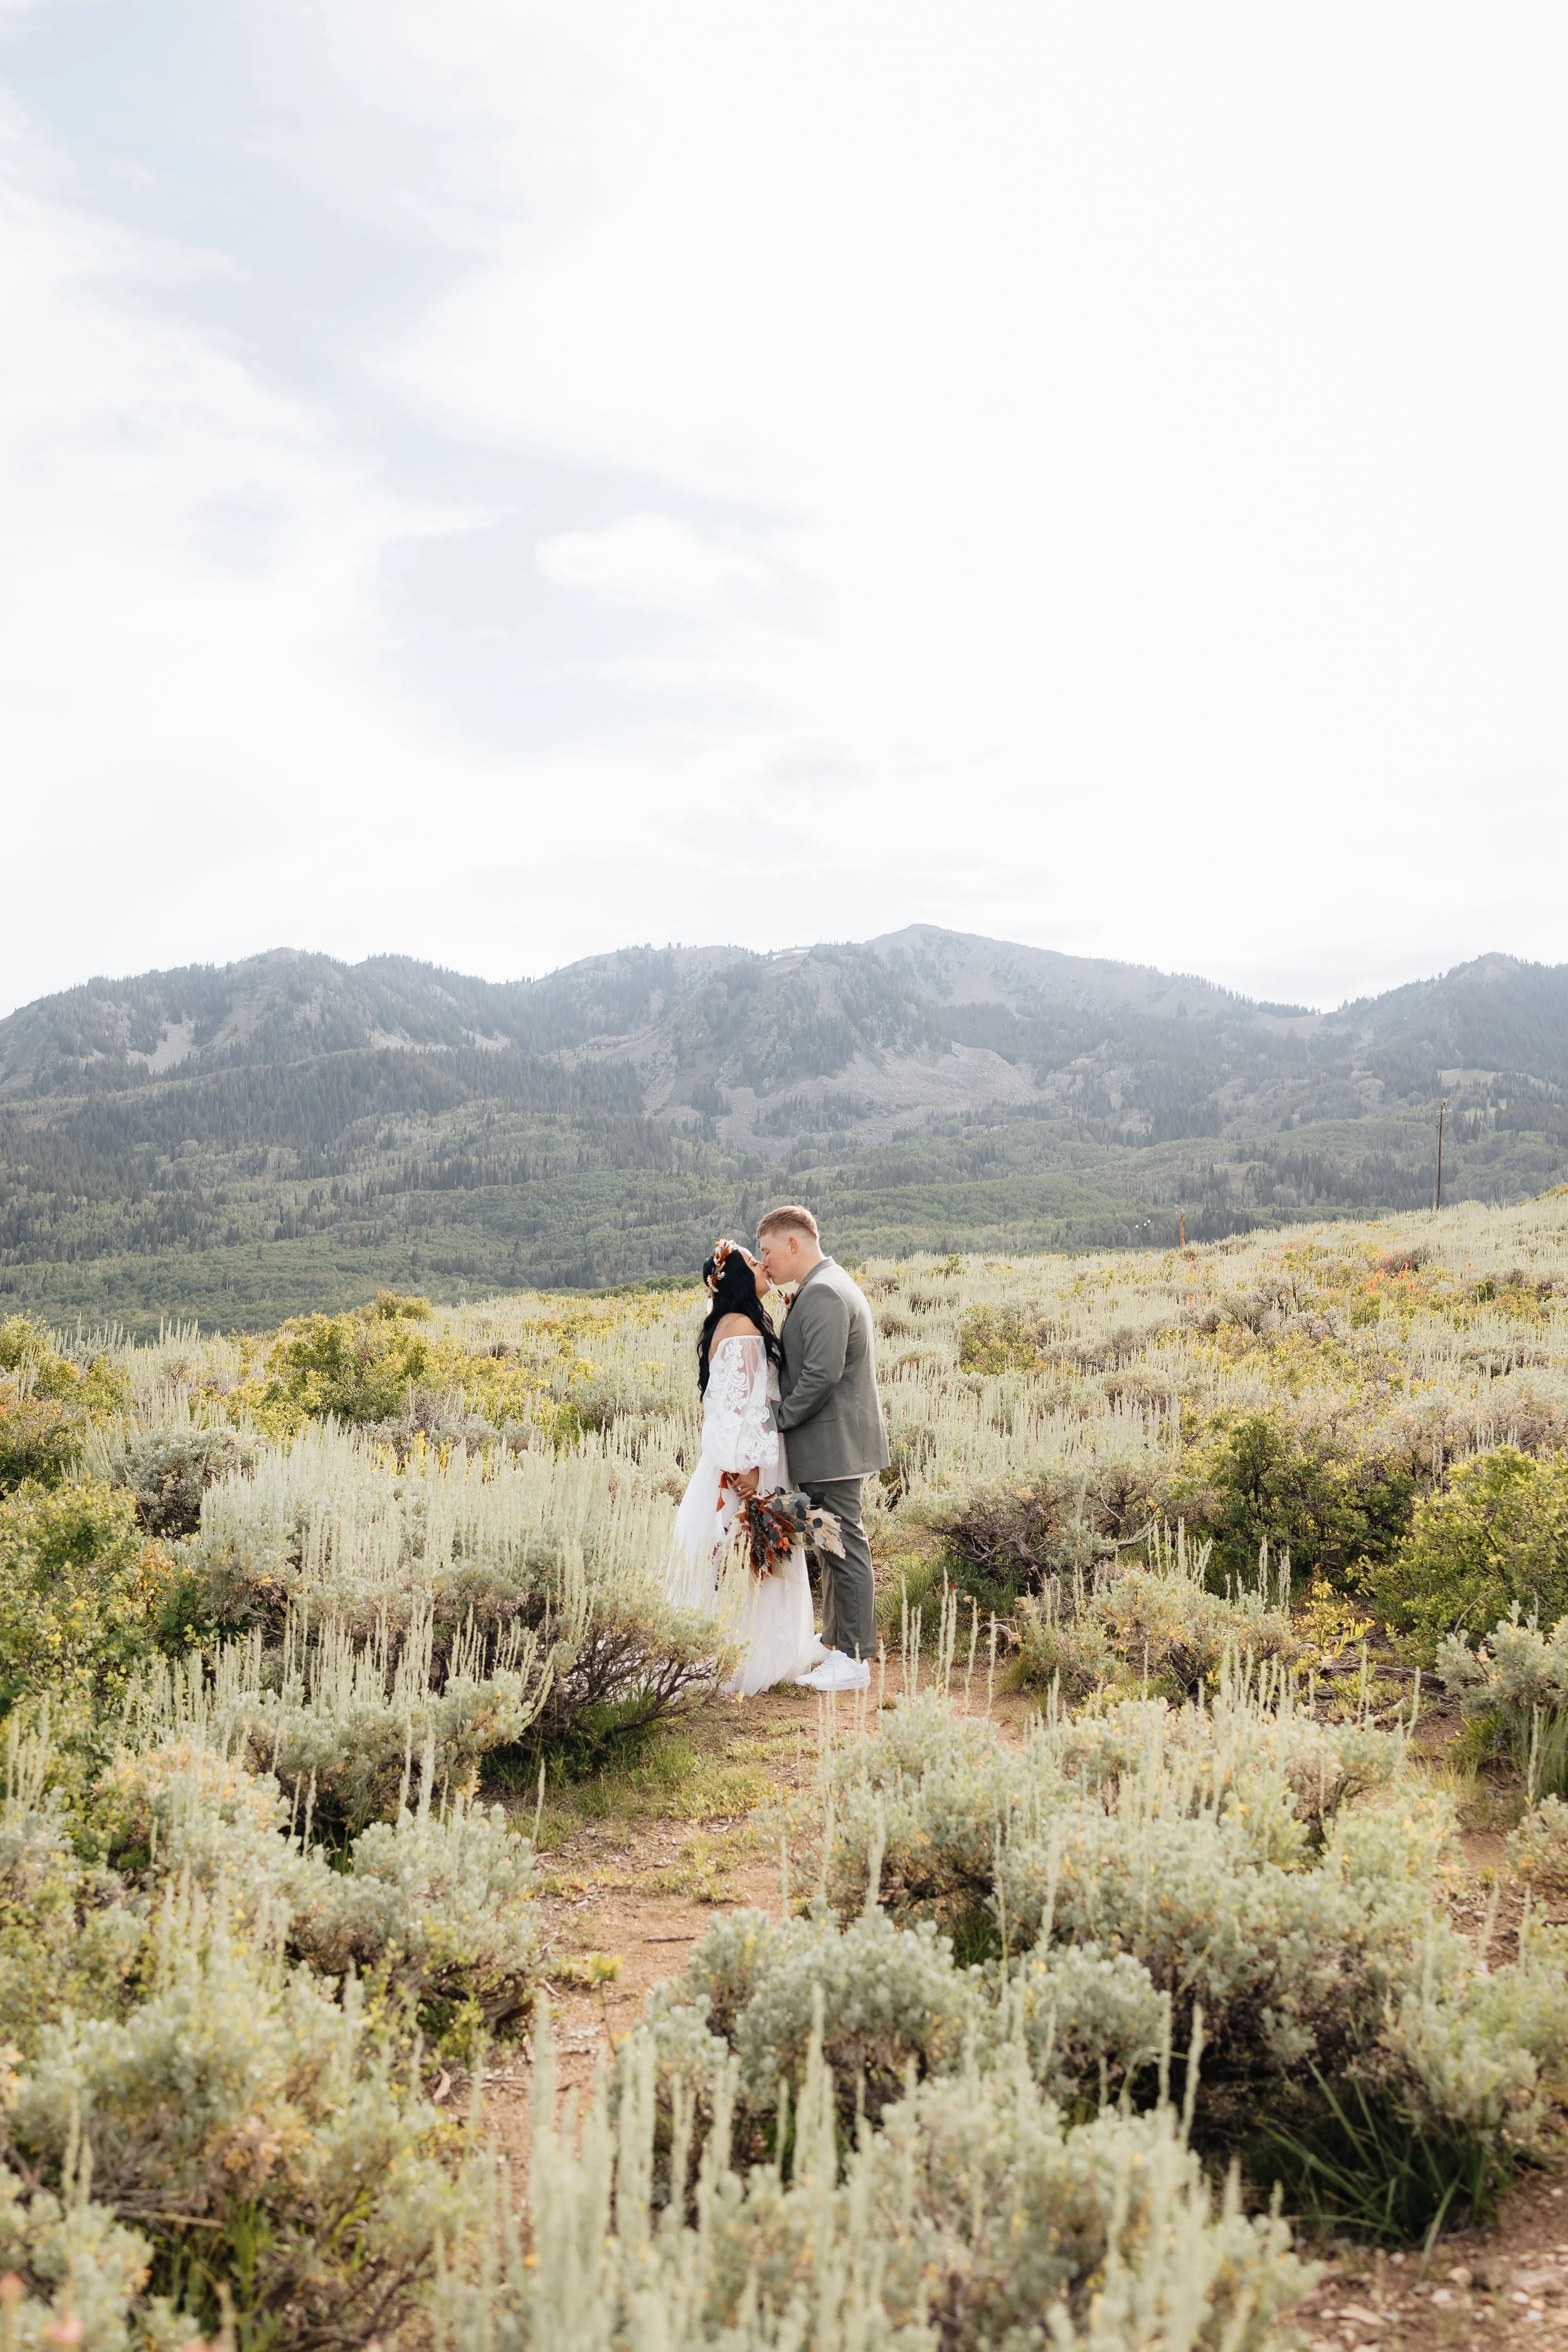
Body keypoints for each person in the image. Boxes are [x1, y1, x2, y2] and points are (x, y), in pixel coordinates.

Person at [667, 1237, 827, 1694]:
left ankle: (732, 1645)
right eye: (755, 1262)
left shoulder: (730, 1323)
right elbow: (745, 1407)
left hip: (737, 1457)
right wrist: (750, 1466)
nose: (764, 1266)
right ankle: (756, 1653)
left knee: (736, 1556)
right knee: (751, 1553)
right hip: (750, 1462)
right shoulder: (744, 1329)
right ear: (738, 1277)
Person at [756, 1204, 890, 1693]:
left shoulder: (825, 1292)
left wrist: (777, 1419)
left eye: (767, 1250)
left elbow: (821, 1375)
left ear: (793, 1243)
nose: (764, 1261)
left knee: (844, 1545)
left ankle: (854, 1659)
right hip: (830, 1442)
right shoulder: (821, 1287)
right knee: (830, 1544)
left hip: (834, 1443)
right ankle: (836, 1640)